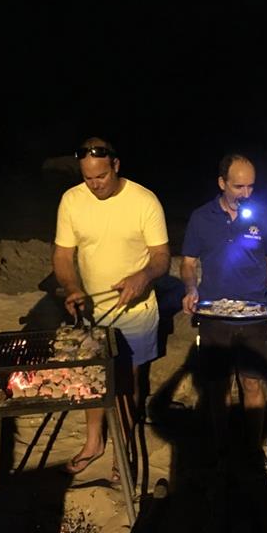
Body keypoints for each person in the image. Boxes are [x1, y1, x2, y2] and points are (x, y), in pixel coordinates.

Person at [53, 136, 170, 476]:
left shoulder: (144, 200)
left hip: (135, 312)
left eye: (100, 177)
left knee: (123, 383)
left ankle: (123, 444)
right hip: (91, 311)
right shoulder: (72, 200)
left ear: (115, 165)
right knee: (92, 378)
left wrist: (142, 276)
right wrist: (72, 288)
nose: (94, 185)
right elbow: (63, 254)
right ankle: (94, 442)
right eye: (88, 178)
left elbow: (162, 257)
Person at [181, 153, 267, 460]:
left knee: (252, 382)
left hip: (255, 313)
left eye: (251, 187)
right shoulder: (201, 218)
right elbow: (187, 264)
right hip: (214, 313)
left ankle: (252, 449)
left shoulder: (264, 215)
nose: (246, 194)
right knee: (217, 387)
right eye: (239, 186)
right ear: (222, 183)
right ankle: (221, 447)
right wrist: (191, 289)